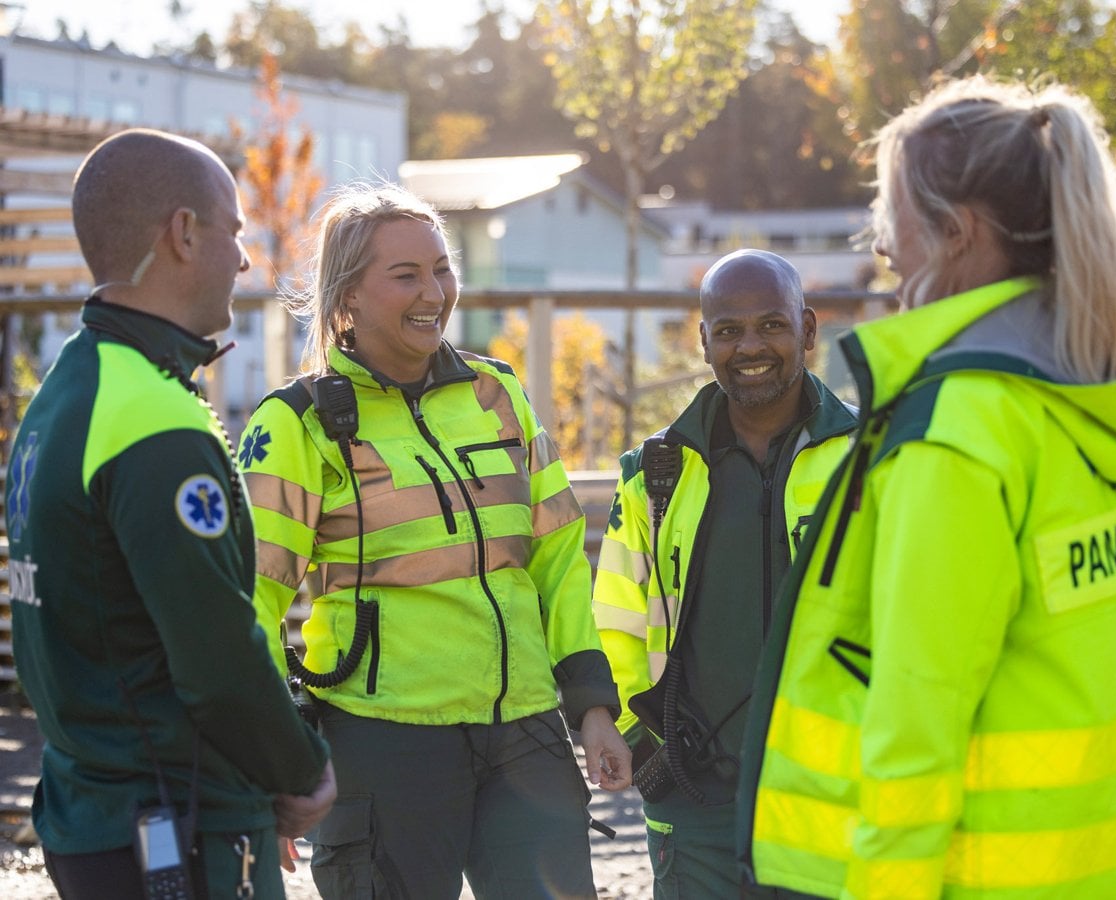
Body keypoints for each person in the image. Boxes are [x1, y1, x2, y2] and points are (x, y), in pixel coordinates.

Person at [736, 74, 1116, 899]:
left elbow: (916, 729)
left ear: (958, 234)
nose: (882, 247)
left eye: (893, 218)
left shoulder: (958, 430)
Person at [236, 182, 633, 899]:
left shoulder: (498, 394)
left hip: (525, 734)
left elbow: (558, 561)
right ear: (347, 295)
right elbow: (249, 604)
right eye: (406, 274)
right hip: (383, 745)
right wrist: (274, 763)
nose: (434, 291)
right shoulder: (295, 423)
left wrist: (592, 707)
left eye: (442, 268)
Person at [5, 128, 336, 899]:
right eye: (235, 232)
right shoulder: (154, 420)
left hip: (89, 812)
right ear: (184, 233)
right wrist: (300, 769)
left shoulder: (65, 395)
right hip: (178, 822)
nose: (246, 259)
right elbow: (215, 651)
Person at [591, 248, 857, 898]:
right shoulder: (653, 476)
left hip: (830, 801)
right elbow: (617, 624)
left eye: (772, 324)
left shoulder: (870, 464)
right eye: (730, 330)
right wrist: (642, 740)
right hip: (695, 803)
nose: (751, 346)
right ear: (704, 340)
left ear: (810, 331)